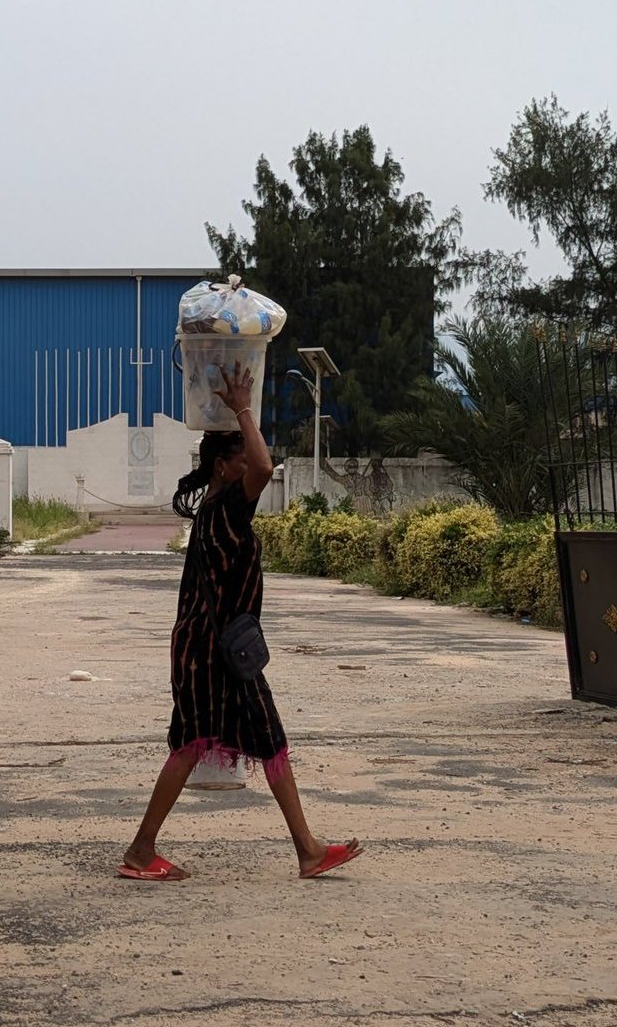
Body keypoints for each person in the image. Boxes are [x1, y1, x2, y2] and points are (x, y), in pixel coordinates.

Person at [117, 361, 362, 881]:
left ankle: (307, 848)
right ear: (227, 467)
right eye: (237, 457)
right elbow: (265, 466)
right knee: (196, 745)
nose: (247, 463)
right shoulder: (228, 506)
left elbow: (255, 464)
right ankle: (142, 851)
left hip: (205, 648)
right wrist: (244, 409)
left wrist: (230, 415)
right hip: (215, 652)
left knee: (249, 740)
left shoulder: (213, 505)